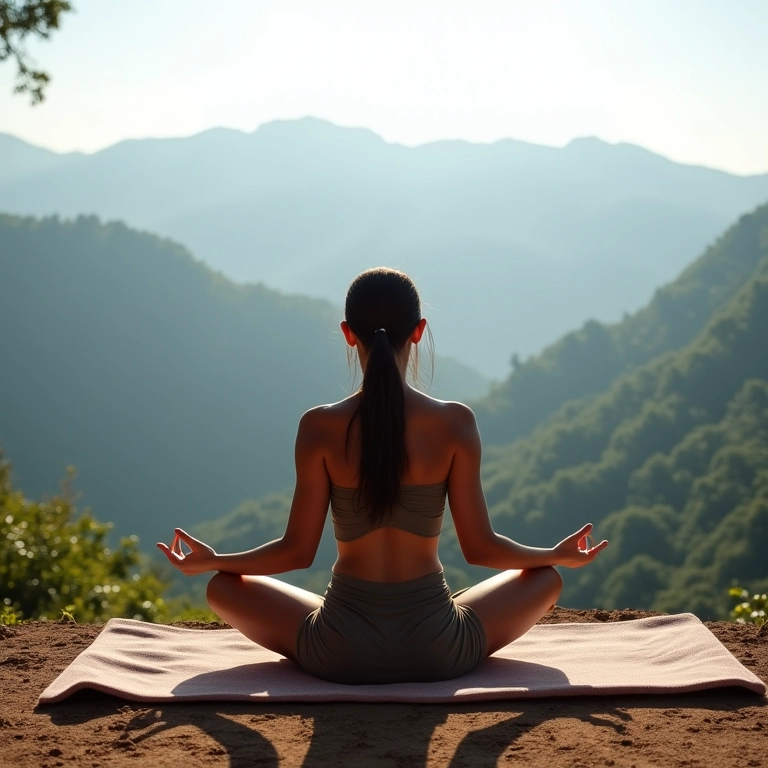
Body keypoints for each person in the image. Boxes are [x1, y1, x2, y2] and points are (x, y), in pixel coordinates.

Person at [158, 267, 608, 684]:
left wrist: (214, 561)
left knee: (222, 588)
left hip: (337, 653)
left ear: (347, 334)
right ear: (419, 331)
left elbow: (295, 553)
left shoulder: (319, 426)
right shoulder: (454, 423)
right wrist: (555, 553)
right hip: (439, 651)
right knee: (547, 576)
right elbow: (480, 548)